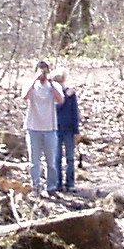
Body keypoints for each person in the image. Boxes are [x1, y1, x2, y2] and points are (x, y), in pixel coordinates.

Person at [21, 60, 64, 196]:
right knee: (34, 162)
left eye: (45, 71)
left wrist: (50, 82)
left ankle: (51, 187)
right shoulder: (31, 86)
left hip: (50, 129)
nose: (43, 75)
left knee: (51, 161)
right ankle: (36, 187)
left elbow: (61, 100)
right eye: (40, 71)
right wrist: (34, 79)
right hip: (33, 128)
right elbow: (25, 96)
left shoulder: (54, 86)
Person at [53, 68, 81, 193]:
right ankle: (58, 183)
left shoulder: (71, 93)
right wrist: (64, 96)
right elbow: (56, 108)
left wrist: (76, 131)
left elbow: (75, 113)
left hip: (69, 129)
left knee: (70, 158)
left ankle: (70, 183)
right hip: (56, 128)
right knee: (57, 157)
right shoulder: (53, 94)